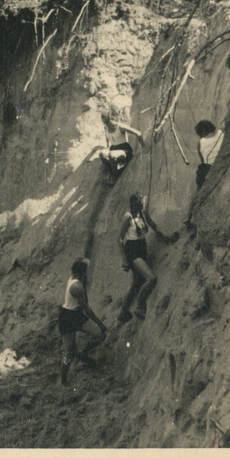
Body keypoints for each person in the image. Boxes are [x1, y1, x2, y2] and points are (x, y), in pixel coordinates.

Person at [117, 193, 178, 323]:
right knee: (151, 278)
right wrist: (124, 258)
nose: (142, 204)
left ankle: (123, 312)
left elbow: (154, 226)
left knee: (136, 283)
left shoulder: (143, 214)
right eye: (139, 202)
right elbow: (119, 239)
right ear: (133, 204)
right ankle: (140, 306)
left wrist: (166, 236)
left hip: (141, 251)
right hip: (132, 253)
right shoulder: (128, 217)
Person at [58, 258, 107, 386]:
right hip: (68, 318)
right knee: (69, 352)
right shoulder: (76, 287)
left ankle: (83, 354)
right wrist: (100, 323)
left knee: (100, 335)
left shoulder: (74, 278)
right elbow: (87, 310)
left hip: (75, 314)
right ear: (82, 272)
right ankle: (63, 382)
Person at [99, 116, 143, 180]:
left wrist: (143, 147)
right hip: (114, 149)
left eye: (108, 122)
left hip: (124, 151)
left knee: (111, 154)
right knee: (101, 153)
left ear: (112, 119)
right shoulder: (106, 127)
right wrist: (107, 145)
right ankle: (112, 172)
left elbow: (138, 133)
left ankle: (115, 177)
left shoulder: (120, 127)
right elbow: (107, 136)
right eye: (105, 122)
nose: (107, 124)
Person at [194, 120, 224, 189]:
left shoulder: (201, 142)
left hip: (209, 168)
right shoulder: (221, 133)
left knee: (202, 169)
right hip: (220, 164)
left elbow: (203, 161)